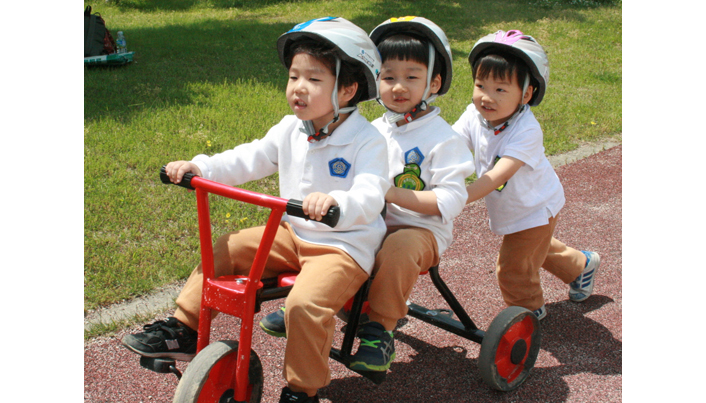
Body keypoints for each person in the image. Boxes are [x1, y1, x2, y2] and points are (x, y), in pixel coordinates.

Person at [121, 17, 388, 403]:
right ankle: (183, 329)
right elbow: (248, 158)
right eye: (293, 76)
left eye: (313, 79)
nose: (298, 87)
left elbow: (370, 192)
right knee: (227, 248)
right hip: (293, 234)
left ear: (348, 89)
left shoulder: (368, 141)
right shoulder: (291, 129)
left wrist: (337, 203)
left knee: (305, 305)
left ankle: (302, 390)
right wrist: (201, 167)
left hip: (343, 246)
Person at [260, 16, 474, 374]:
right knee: (331, 240)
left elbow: (450, 201)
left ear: (434, 83)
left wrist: (388, 193)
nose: (398, 87)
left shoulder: (444, 139)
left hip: (419, 230)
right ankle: (310, 297)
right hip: (366, 223)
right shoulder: (370, 130)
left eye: (411, 77)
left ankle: (380, 330)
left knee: (398, 247)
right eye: (388, 77)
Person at [451, 30, 600, 320]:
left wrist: (458, 197)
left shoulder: (526, 130)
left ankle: (528, 313)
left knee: (513, 268)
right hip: (516, 206)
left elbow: (498, 175)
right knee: (536, 250)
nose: (487, 97)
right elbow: (450, 145)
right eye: (481, 85)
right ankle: (581, 265)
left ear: (526, 94)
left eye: (500, 89)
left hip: (537, 207)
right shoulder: (473, 115)